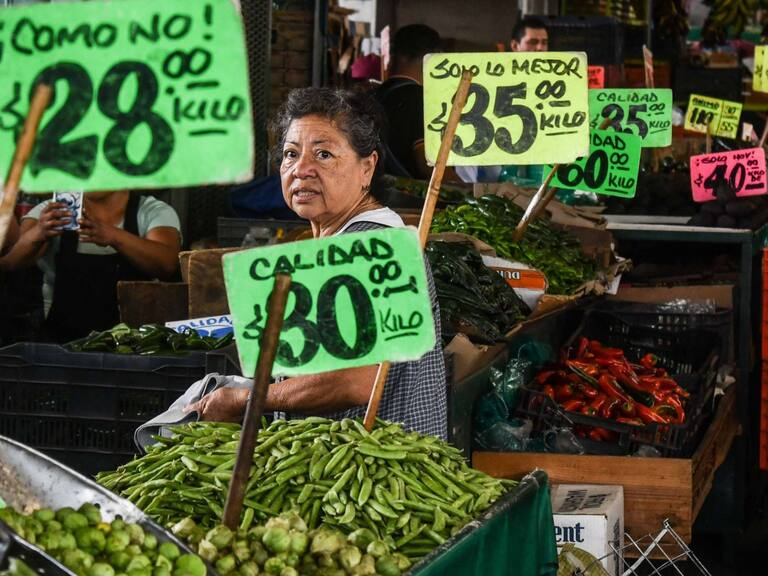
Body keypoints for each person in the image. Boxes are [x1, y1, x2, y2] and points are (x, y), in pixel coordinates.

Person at [184, 87, 448, 439]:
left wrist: (246, 399)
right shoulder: (344, 240)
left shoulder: (368, 245)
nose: (302, 169)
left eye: (324, 154)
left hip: (377, 479)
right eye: (291, 154)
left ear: (367, 167)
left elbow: (355, 381)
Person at [0, 190, 181, 343]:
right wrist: (38, 233)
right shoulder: (52, 211)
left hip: (134, 345)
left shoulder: (152, 211)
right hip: (61, 346)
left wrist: (114, 236)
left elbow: (166, 264)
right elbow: (11, 262)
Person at [456, 15, 550, 184]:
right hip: (494, 163)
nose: (540, 48)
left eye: (544, 42)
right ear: (515, 45)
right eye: (533, 42)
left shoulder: (553, 83)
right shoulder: (495, 77)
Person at [375, 24, 442, 179]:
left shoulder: (374, 94)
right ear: (434, 58)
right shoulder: (421, 99)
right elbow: (429, 167)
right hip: (407, 200)